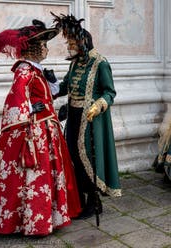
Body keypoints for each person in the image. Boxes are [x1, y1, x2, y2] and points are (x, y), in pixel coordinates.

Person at [0, 19, 81, 236]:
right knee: (31, 173)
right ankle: (25, 219)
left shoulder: (36, 71)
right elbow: (16, 98)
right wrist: (29, 116)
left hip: (45, 126)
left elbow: (44, 94)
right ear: (34, 48)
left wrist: (51, 98)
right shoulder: (25, 70)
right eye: (44, 45)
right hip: (32, 130)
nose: (46, 48)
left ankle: (41, 217)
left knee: (45, 173)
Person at [51, 13, 122, 219]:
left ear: (83, 42)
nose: (69, 46)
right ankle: (79, 200)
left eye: (72, 42)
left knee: (89, 159)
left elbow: (110, 92)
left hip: (92, 120)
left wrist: (98, 105)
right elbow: (65, 86)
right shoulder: (75, 63)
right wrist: (51, 82)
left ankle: (94, 201)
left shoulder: (100, 63)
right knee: (73, 156)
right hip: (74, 117)